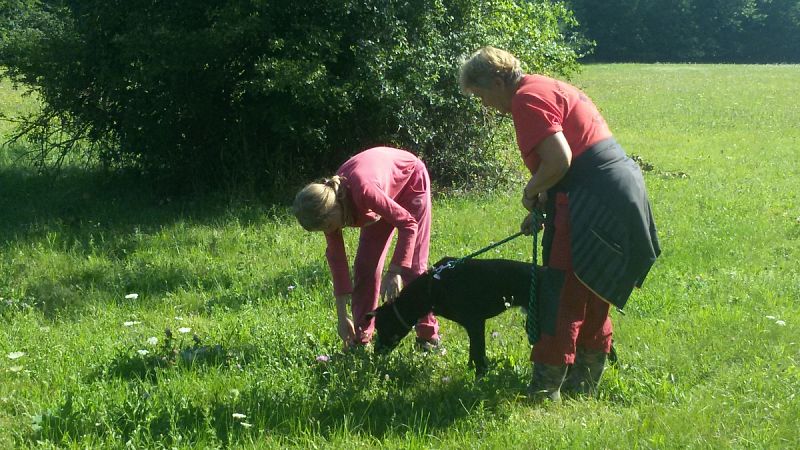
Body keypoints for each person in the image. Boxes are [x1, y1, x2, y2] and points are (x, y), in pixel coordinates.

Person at [459, 47, 660, 401]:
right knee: (594, 288)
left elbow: (559, 160)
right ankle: (583, 388)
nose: (484, 105)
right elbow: (568, 161)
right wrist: (540, 207)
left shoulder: (526, 99)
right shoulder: (544, 87)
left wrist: (530, 191)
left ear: (496, 81)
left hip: (592, 197)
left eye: (480, 95)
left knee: (562, 292)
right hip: (615, 192)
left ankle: (545, 389)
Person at [292, 146, 440, 350]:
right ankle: (361, 337)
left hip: (410, 181)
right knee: (365, 268)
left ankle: (428, 337)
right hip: (380, 197)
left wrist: (395, 270)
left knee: (413, 270)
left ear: (332, 209)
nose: (329, 231)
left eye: (326, 227)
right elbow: (338, 262)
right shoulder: (330, 208)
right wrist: (342, 318)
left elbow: (408, 224)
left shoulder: (363, 192)